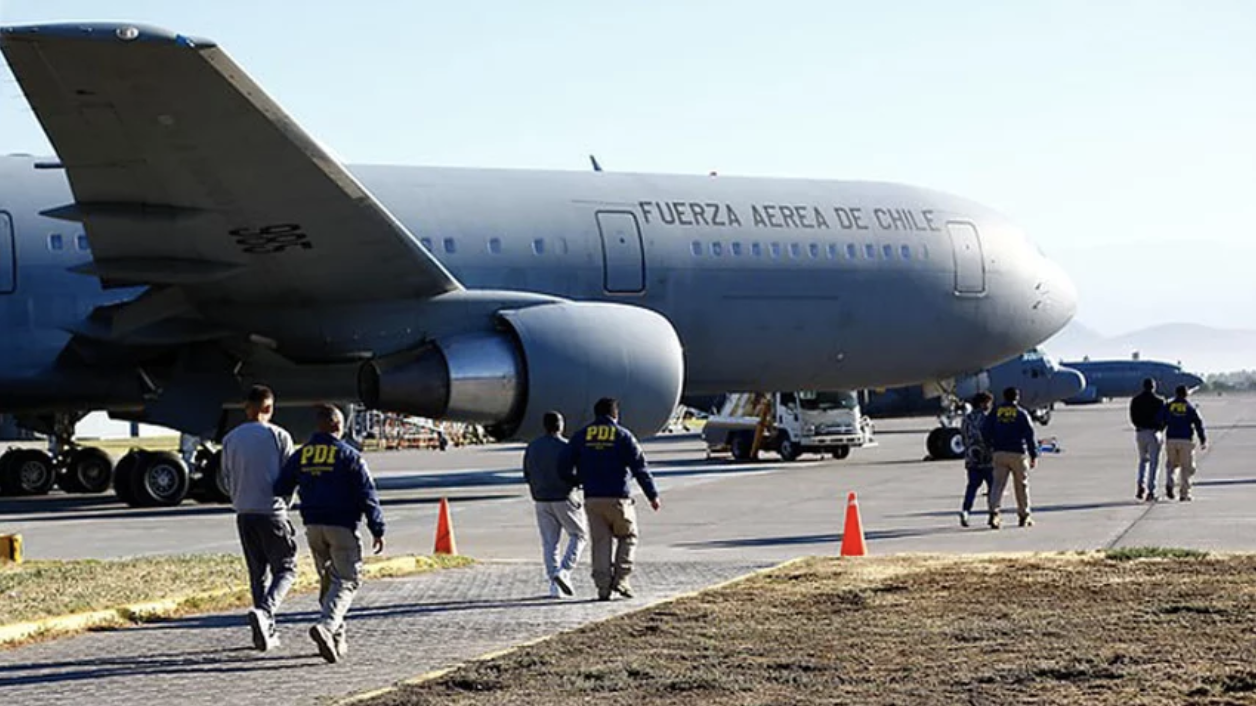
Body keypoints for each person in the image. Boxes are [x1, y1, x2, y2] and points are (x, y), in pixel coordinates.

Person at [275, 404, 385, 664]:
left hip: (313, 527)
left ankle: (337, 638)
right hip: (341, 526)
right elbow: (367, 494)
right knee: (347, 580)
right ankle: (327, 625)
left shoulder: (303, 454)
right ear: (339, 425)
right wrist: (377, 528)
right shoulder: (349, 455)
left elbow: (281, 486)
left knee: (328, 581)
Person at [221, 384, 297, 652]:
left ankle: (263, 630)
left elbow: (226, 477)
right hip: (272, 511)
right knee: (286, 569)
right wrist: (285, 505)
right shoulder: (279, 436)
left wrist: (239, 499)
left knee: (258, 575)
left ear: (246, 407)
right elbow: (289, 477)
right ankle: (265, 612)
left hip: (244, 512)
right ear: (269, 408)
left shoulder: (230, 439)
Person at [563, 397, 660, 601]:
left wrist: (576, 481)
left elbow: (563, 463)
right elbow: (640, 467)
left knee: (600, 543)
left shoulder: (582, 435)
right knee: (628, 537)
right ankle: (622, 579)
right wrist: (652, 495)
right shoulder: (623, 435)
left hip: (592, 498)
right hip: (619, 498)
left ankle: (603, 588)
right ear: (615, 414)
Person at [522, 411, 588, 598]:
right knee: (579, 535)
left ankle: (554, 584)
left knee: (550, 543)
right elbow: (577, 472)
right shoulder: (567, 447)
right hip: (564, 497)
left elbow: (527, 473)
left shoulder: (533, 447)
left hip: (541, 498)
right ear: (561, 426)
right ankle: (565, 570)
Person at [982, 386, 1039, 528]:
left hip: (999, 452)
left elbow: (985, 430)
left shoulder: (995, 412)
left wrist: (990, 445)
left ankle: (994, 514)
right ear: (1016, 397)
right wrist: (1033, 454)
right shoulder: (1021, 413)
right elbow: (1029, 435)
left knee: (997, 486)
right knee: (1021, 485)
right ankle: (1024, 516)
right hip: (1017, 453)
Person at [1160, 385, 1207, 502]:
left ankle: (1170, 482)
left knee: (1172, 465)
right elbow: (1198, 424)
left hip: (1171, 439)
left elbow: (1161, 420)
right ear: (1186, 394)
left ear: (1176, 393)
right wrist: (1203, 439)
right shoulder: (1190, 408)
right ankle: (1184, 494)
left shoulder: (1169, 406)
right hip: (1185, 440)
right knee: (1186, 468)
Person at [959, 392, 995, 528]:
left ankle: (966, 511)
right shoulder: (988, 418)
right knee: (993, 487)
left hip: (971, 458)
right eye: (988, 403)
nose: (989, 406)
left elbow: (963, 436)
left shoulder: (967, 418)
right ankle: (993, 513)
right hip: (988, 459)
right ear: (982, 403)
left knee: (972, 487)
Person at [1129, 377, 1167, 501]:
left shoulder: (1135, 400)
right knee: (1154, 463)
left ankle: (1141, 484)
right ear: (1153, 387)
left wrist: (1138, 426)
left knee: (1143, 460)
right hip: (1154, 432)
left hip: (1140, 432)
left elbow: (1133, 417)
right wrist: (1161, 428)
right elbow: (1164, 418)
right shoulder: (1159, 401)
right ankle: (1151, 490)